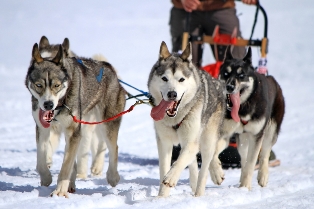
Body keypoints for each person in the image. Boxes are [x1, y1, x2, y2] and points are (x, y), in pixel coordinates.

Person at [169, 0, 278, 169]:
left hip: (221, 7)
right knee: (182, 73)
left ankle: (239, 139)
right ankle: (183, 139)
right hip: (185, 10)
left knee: (236, 67)